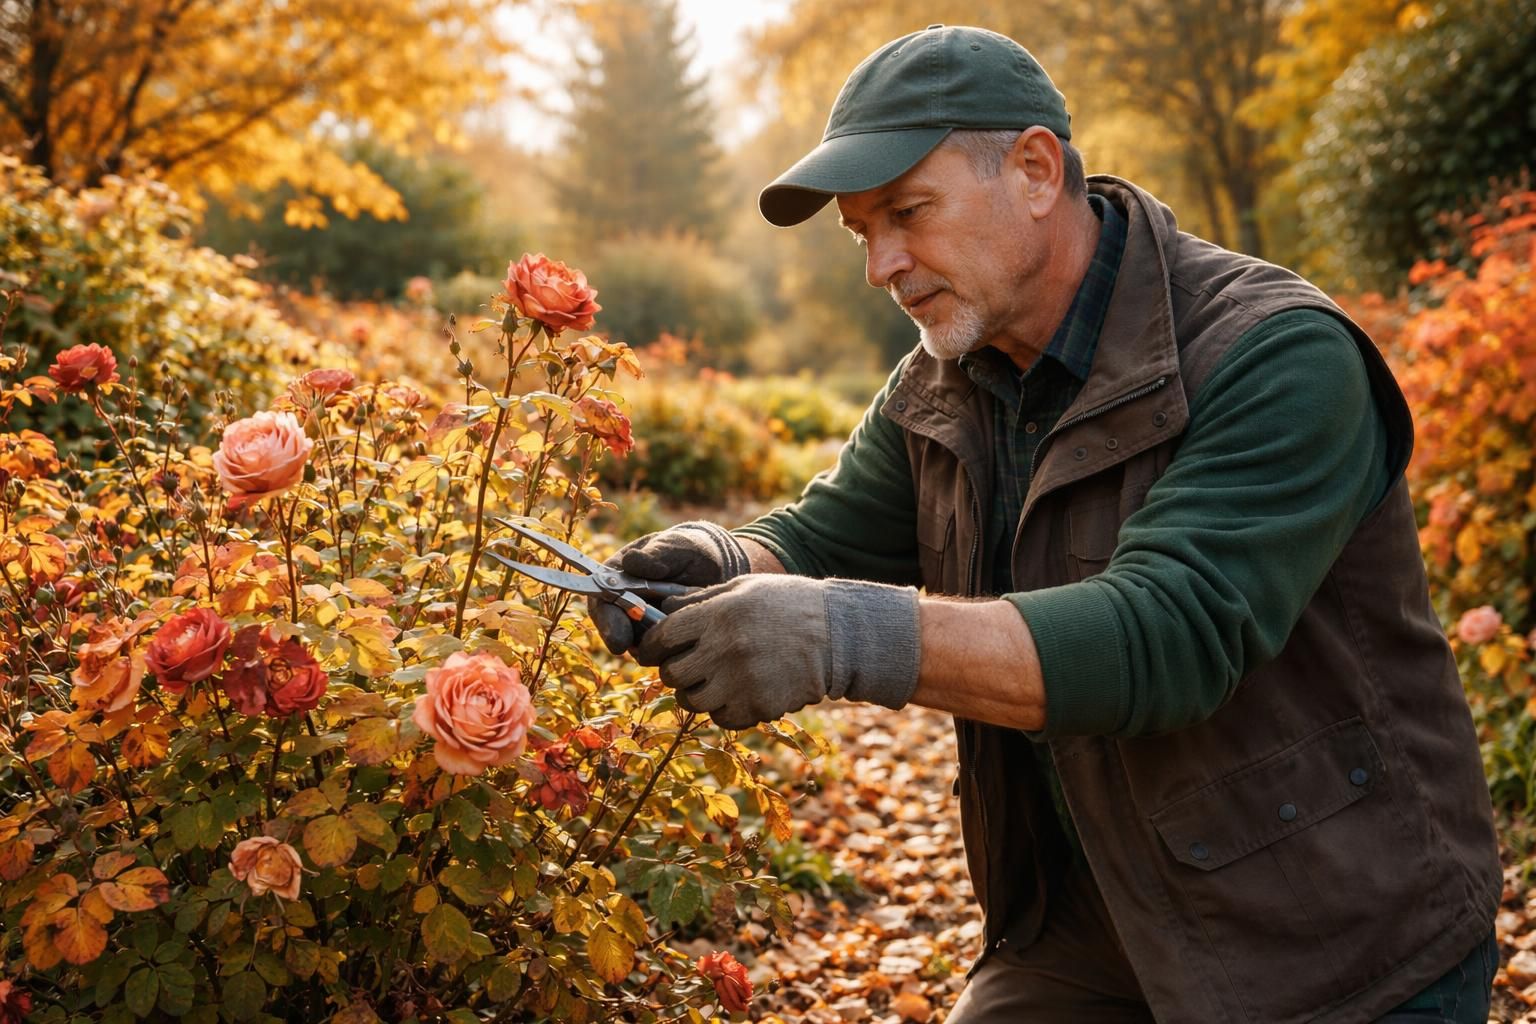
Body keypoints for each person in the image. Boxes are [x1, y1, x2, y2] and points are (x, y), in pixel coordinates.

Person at [592, 24, 1502, 1023]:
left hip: (1332, 940)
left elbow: (1166, 636)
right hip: (1088, 926)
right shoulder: (947, 377)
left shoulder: (1280, 357)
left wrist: (842, 634)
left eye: (907, 211)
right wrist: (714, 560)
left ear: (1034, 170)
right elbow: (824, 534)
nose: (881, 265)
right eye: (863, 232)